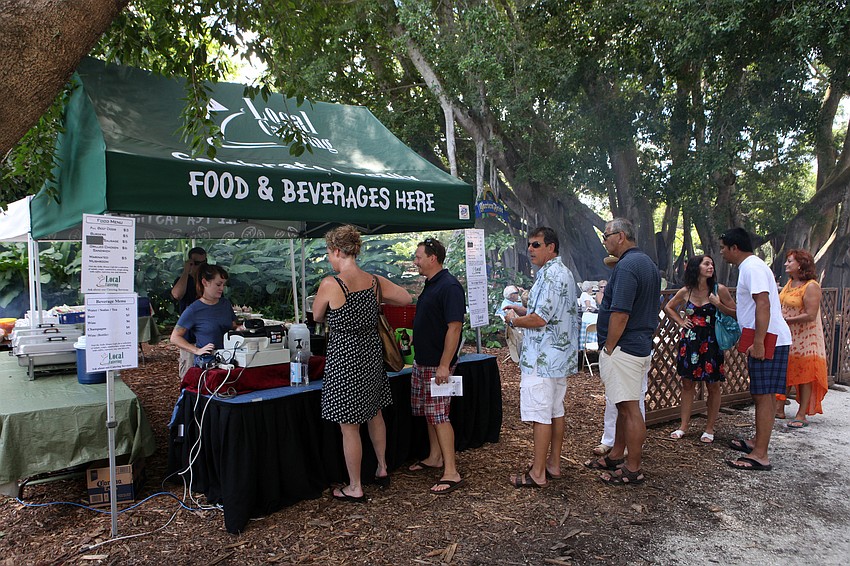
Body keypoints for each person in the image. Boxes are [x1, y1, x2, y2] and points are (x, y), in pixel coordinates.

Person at [312, 226, 412, 502]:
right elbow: (405, 297)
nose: (329, 259)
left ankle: (355, 486)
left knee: (349, 426)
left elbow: (318, 316)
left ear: (336, 251)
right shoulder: (374, 281)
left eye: (329, 254)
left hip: (344, 358)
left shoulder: (332, 284)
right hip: (370, 354)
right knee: (375, 412)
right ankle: (382, 468)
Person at [586, 218, 660, 485]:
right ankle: (617, 454)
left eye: (606, 235)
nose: (604, 241)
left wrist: (609, 346)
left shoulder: (628, 266)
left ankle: (632, 467)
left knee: (629, 409)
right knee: (622, 404)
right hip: (637, 345)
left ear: (621, 236)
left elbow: (621, 313)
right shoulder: (647, 264)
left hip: (624, 348)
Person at [503, 227, 578, 488]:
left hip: (542, 359)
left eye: (536, 245)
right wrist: (521, 309)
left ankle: (537, 473)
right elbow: (548, 313)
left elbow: (539, 319)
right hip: (557, 357)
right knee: (556, 411)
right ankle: (553, 465)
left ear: (551, 247)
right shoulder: (562, 273)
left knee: (541, 415)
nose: (530, 250)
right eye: (529, 245)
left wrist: (514, 321)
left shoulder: (550, 276)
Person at [719, 228, 791, 471]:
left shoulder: (752, 268)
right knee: (764, 394)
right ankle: (757, 443)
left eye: (723, 247)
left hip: (768, 338)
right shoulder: (750, 267)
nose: (722, 252)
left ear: (734, 248)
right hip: (765, 336)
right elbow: (746, 310)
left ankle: (760, 454)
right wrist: (720, 306)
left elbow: (763, 303)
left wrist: (759, 341)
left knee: (763, 396)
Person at [407, 237, 466, 495]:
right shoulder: (431, 284)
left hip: (437, 366)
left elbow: (454, 328)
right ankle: (435, 456)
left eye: (418, 257)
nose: (415, 261)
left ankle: (451, 471)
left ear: (433, 258)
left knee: (440, 415)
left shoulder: (450, 286)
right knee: (429, 414)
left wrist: (444, 364)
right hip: (423, 361)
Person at [662, 255, 737, 444]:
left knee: (713, 385)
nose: (711, 266)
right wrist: (680, 321)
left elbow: (736, 313)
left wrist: (718, 304)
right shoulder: (686, 291)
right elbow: (668, 307)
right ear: (696, 268)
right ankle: (683, 426)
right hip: (691, 340)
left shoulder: (719, 290)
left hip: (711, 341)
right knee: (687, 383)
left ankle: (710, 428)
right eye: (706, 264)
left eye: (712, 263)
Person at [775, 249, 828, 427]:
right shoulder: (790, 283)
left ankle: (801, 414)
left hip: (805, 338)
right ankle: (779, 409)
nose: (786, 264)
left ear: (801, 264)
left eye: (790, 261)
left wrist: (786, 320)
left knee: (804, 375)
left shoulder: (811, 285)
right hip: (787, 336)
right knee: (784, 370)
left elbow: (811, 315)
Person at [170, 263, 237, 368]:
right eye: (218, 284)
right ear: (205, 282)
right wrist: (196, 350)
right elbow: (175, 337)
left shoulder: (225, 304)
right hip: (208, 364)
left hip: (230, 361)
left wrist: (241, 328)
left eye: (224, 285)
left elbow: (233, 325)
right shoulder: (193, 309)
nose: (222, 288)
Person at [171, 247, 207, 378]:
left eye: (204, 262)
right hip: (189, 336)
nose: (201, 266)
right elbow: (177, 294)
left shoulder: (209, 281)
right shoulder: (184, 280)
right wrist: (187, 272)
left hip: (207, 335)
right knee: (188, 373)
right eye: (198, 263)